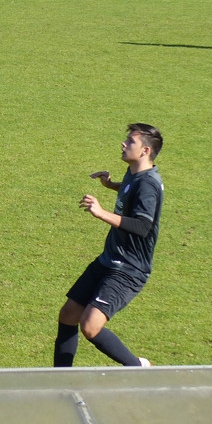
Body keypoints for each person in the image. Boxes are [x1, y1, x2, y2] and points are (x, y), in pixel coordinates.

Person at [54, 123, 164, 368]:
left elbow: (142, 226)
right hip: (108, 259)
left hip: (128, 269)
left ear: (145, 151)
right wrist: (111, 185)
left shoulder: (149, 185)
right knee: (68, 315)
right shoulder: (134, 173)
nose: (123, 144)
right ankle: (61, 377)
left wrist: (101, 213)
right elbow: (128, 191)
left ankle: (137, 368)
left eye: (130, 142)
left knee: (90, 327)